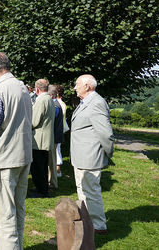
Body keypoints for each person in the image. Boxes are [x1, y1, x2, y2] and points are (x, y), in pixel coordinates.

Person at [0, 52, 32, 249]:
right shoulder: (22, 87)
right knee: (17, 210)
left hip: (4, 160)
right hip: (23, 156)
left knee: (3, 217)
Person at [71, 74, 114, 235]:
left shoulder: (96, 103)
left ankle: (98, 225)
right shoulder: (86, 102)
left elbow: (106, 134)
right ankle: (87, 219)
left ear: (87, 86)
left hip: (90, 156)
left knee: (91, 191)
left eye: (77, 84)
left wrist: (108, 153)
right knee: (83, 190)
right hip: (81, 156)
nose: (75, 87)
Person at [30, 79, 55, 198]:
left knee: (38, 166)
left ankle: (42, 190)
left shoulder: (41, 100)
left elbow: (34, 121)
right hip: (45, 138)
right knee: (43, 165)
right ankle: (42, 188)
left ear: (37, 89)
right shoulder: (49, 98)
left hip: (39, 139)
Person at [47, 84, 64, 190]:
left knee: (52, 162)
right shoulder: (56, 105)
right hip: (54, 137)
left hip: (53, 137)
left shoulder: (55, 106)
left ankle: (52, 183)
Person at [55, 84, 69, 177]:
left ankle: (58, 170)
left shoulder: (61, 104)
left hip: (58, 128)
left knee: (57, 149)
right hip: (58, 128)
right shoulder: (59, 103)